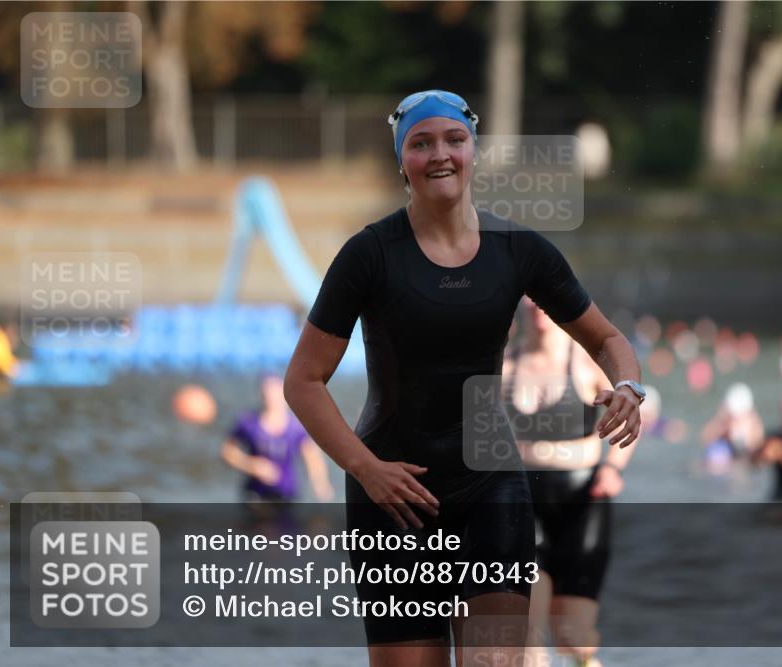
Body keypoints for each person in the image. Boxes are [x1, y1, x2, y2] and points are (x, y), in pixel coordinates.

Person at [283, 90, 644, 667]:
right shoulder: (369, 254)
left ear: (473, 149)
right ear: (403, 161)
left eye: (454, 139)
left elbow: (608, 340)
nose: (441, 154)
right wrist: (365, 468)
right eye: (421, 144)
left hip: (491, 485)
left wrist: (628, 388)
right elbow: (303, 380)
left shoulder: (519, 250)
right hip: (392, 496)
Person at [502, 298, 641, 667]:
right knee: (528, 635)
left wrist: (614, 469)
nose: (537, 309)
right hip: (524, 504)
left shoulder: (584, 361)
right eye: (529, 303)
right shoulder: (504, 365)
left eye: (543, 301)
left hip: (583, 503)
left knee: (572, 639)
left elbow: (633, 414)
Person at [221, 374, 334, 504]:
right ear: (261, 396)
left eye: (275, 394)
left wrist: (320, 484)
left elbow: (312, 456)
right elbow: (227, 451)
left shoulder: (296, 427)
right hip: (255, 496)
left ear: (284, 396)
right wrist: (251, 465)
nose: (272, 399)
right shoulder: (248, 422)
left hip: (286, 495)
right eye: (267, 394)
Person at [700, 382, 764, 474]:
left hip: (743, 459)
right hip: (726, 459)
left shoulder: (753, 420)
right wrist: (724, 427)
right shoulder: (723, 421)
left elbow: (758, 444)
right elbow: (705, 437)